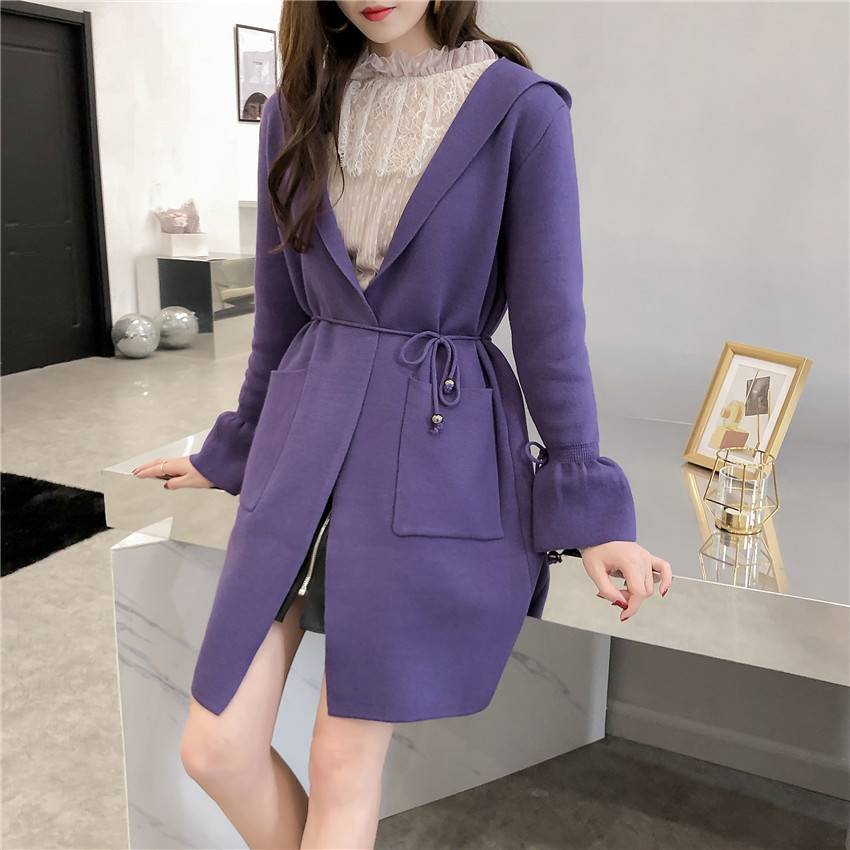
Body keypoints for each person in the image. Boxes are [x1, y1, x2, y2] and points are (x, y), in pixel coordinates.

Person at [133, 2, 672, 847]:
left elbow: (549, 324)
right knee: (216, 749)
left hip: (433, 447)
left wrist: (589, 503)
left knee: (342, 766)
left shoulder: (522, 110)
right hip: (303, 437)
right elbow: (278, 318)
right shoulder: (295, 109)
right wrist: (232, 446)